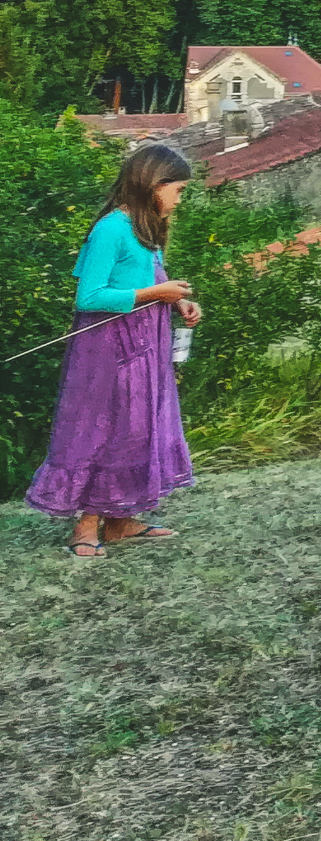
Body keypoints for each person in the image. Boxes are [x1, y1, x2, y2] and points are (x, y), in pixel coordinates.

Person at [27, 144, 200, 557]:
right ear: (154, 184)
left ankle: (121, 521)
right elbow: (90, 296)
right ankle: (85, 527)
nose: (179, 199)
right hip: (108, 349)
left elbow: (146, 279)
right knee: (101, 429)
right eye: (177, 190)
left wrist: (176, 301)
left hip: (145, 344)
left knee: (136, 429)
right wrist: (156, 293)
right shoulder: (111, 228)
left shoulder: (146, 229)